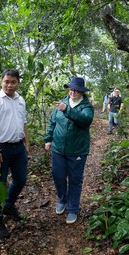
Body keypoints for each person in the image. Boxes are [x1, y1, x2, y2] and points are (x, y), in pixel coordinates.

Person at [0, 69, 30, 239]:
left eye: (13, 82)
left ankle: (9, 205)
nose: (9, 85)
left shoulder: (20, 100)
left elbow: (23, 122)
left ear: (18, 83)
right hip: (0, 149)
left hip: (18, 148)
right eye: (6, 81)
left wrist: (26, 143)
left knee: (21, 180)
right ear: (1, 81)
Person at [44, 76, 94, 224]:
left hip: (77, 150)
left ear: (81, 92)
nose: (73, 92)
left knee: (75, 180)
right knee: (58, 175)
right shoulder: (62, 102)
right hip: (58, 149)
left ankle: (73, 209)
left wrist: (67, 111)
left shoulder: (86, 106)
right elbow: (53, 121)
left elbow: (85, 120)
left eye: (76, 90)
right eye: (71, 89)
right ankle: (62, 199)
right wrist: (48, 139)